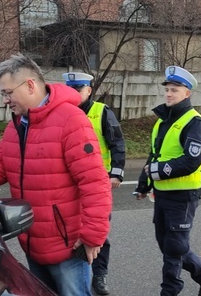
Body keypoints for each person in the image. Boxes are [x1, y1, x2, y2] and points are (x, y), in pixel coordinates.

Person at [0, 53, 112, 296]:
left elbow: (95, 182)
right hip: (32, 244)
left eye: (8, 92)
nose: (5, 101)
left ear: (30, 85)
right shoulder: (18, 124)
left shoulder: (71, 120)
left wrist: (93, 236)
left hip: (67, 249)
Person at [134, 66, 201, 296]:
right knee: (168, 245)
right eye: (168, 90)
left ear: (187, 94)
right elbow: (155, 155)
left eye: (175, 90)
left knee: (174, 249)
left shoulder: (195, 122)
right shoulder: (164, 120)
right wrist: (144, 183)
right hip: (163, 194)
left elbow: (191, 161)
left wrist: (156, 171)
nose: (169, 94)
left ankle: (170, 291)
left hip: (183, 195)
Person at [62, 71, 126, 296]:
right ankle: (75, 273)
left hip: (97, 185)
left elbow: (117, 142)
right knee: (69, 230)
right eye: (70, 89)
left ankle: (99, 276)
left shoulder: (101, 112)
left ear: (89, 91)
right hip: (68, 185)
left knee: (98, 232)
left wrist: (116, 173)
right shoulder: (61, 113)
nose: (73, 94)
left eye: (78, 90)